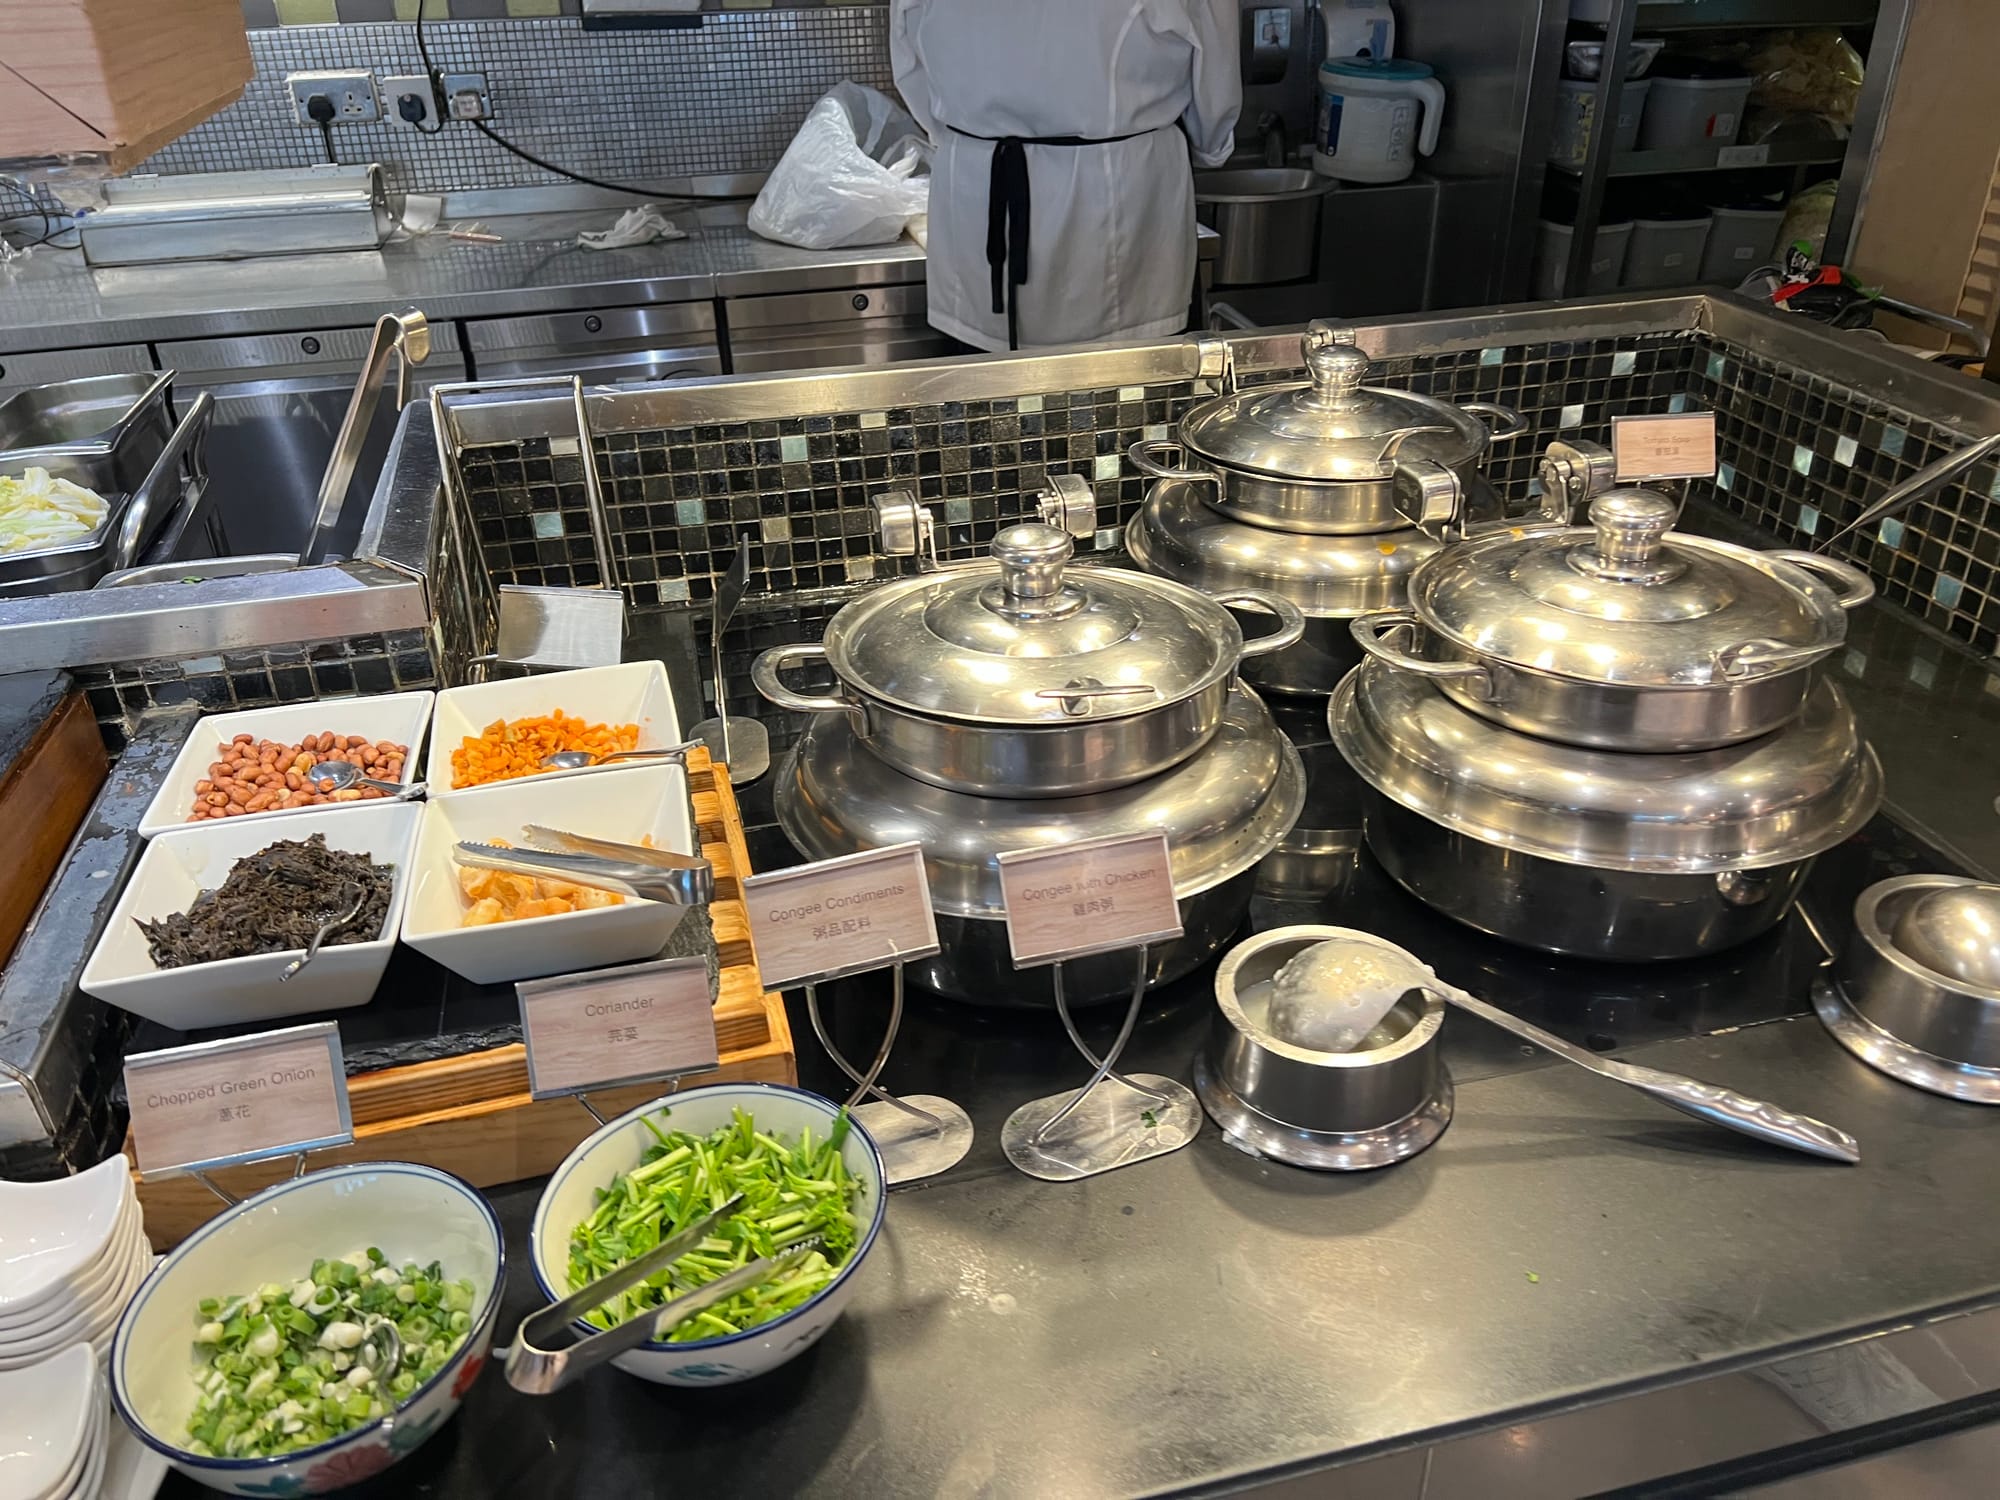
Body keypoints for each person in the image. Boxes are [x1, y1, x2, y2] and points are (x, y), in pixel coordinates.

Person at [890, 0, 1241, 352]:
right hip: (1123, 200)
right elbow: (1215, 89)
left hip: (975, 196)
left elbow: (911, 72)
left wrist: (974, 138)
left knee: (982, 377)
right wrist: (1209, 146)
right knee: (1134, 379)